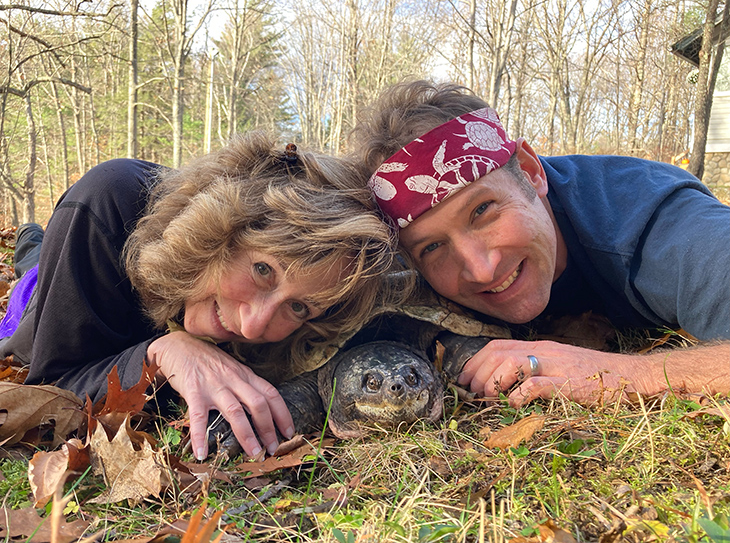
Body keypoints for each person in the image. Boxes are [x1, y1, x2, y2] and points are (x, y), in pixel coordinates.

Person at [0, 132, 399, 460]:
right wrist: (158, 353)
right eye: (263, 270)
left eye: (298, 307)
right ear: (220, 230)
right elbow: (51, 390)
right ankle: (27, 236)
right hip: (48, 295)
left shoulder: (313, 309)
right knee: (29, 271)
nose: (253, 324)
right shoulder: (107, 204)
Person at [350, 80, 730, 408]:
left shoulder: (658, 225)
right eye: (432, 248)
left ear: (531, 173)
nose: (481, 268)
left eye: (482, 210)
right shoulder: (415, 278)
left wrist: (627, 375)